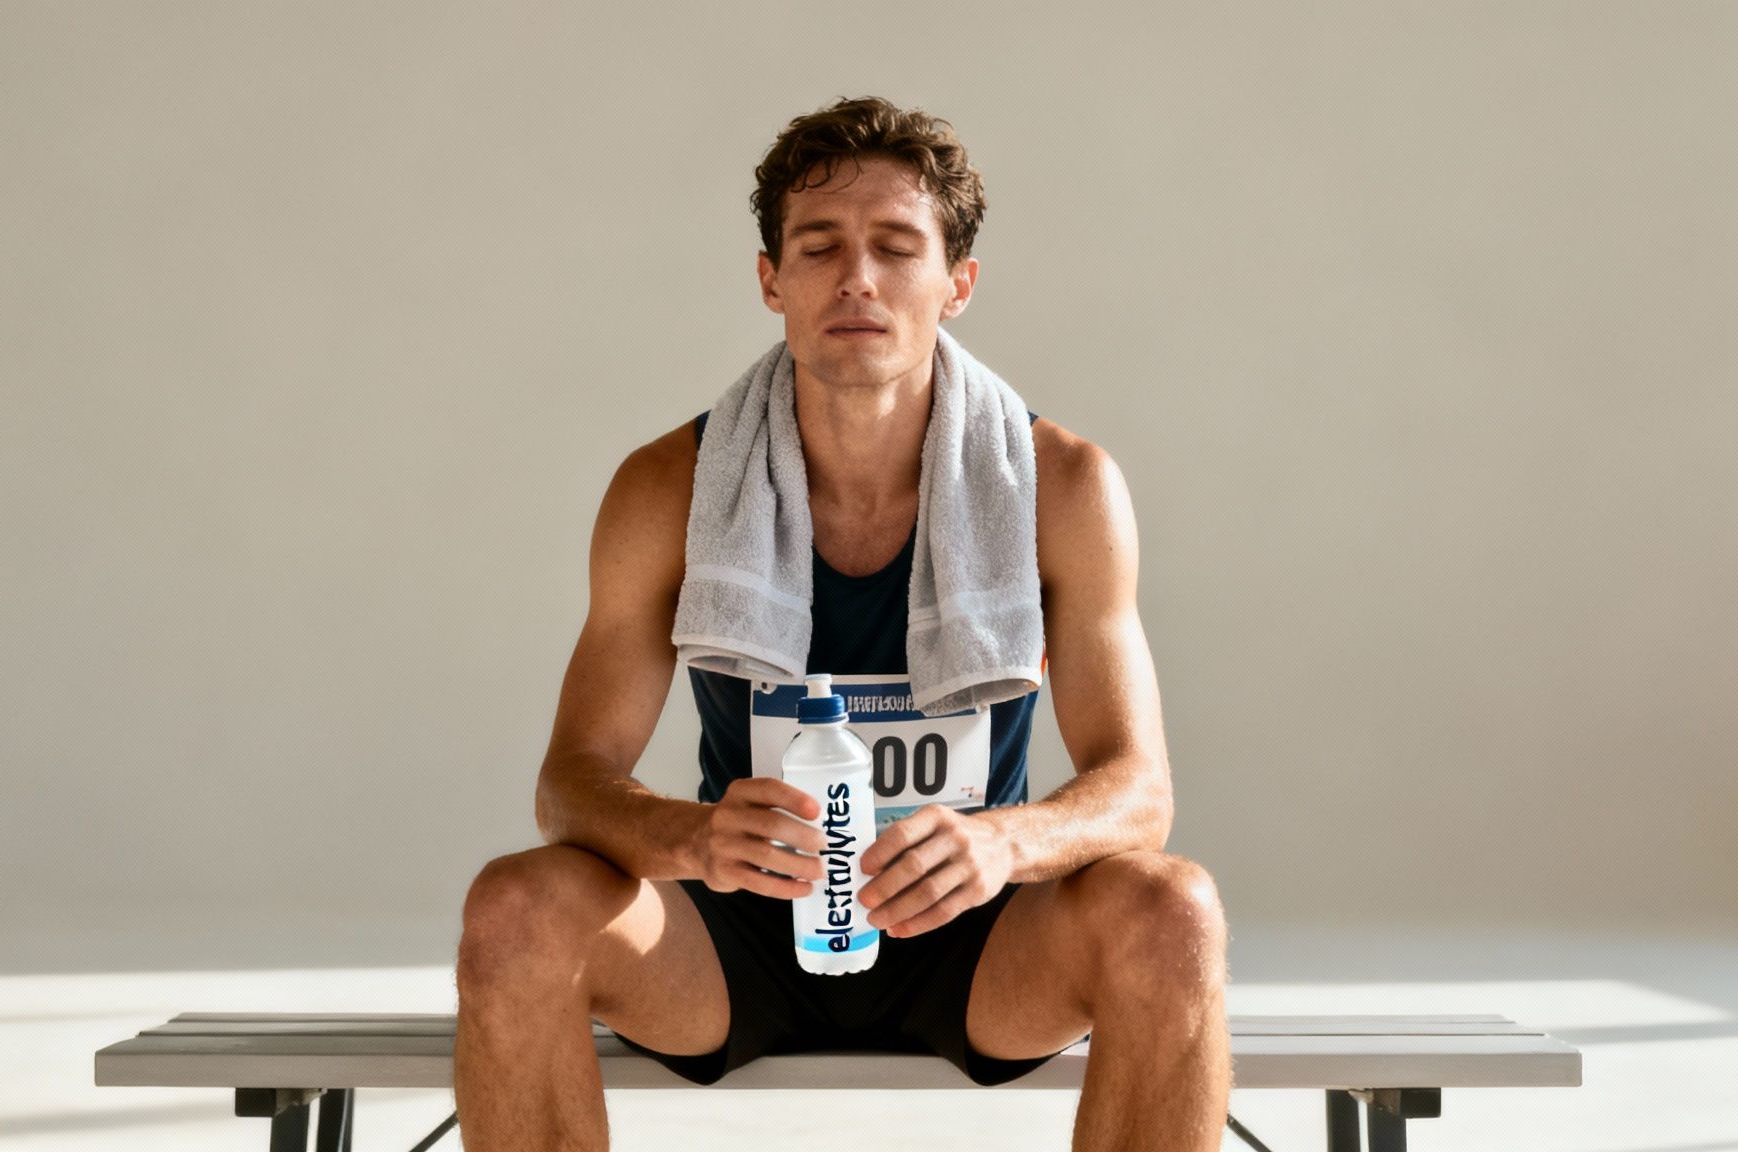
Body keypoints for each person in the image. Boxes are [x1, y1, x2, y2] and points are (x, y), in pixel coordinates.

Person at [454, 95, 1232, 1151]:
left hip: (971, 929)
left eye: (895, 248)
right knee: (515, 907)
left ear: (956, 283)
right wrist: (690, 837)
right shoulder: (664, 487)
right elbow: (571, 782)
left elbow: (1138, 792)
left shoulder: (1062, 485)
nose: (856, 278)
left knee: (1172, 911)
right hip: (738, 931)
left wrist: (1002, 842)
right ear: (770, 278)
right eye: (817, 247)